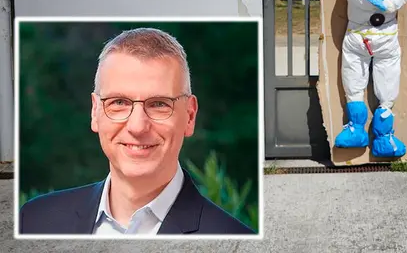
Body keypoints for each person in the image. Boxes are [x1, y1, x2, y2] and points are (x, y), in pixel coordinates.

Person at [18, 27, 255, 236]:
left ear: (190, 116)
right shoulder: (35, 221)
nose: (137, 126)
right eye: (119, 102)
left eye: (159, 104)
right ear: (95, 111)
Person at [335, 0, 407, 158]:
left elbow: (393, 3)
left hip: (385, 39)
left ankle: (384, 137)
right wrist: (375, 2)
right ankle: (356, 130)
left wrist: (381, 3)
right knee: (353, 79)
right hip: (358, 36)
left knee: (388, 83)